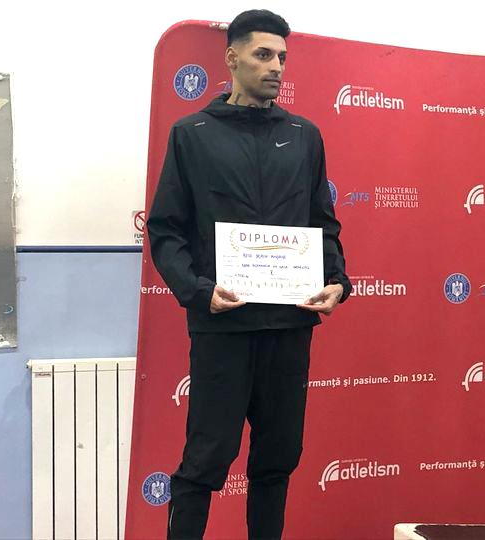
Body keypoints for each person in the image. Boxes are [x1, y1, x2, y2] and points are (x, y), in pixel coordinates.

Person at [147, 9, 351, 540]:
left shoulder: (304, 136)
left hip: (289, 326)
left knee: (277, 461)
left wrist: (337, 281)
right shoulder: (191, 134)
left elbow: (322, 224)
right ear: (232, 58)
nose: (276, 66)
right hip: (224, 325)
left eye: (282, 56)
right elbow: (165, 230)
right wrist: (198, 291)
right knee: (204, 461)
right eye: (263, 55)